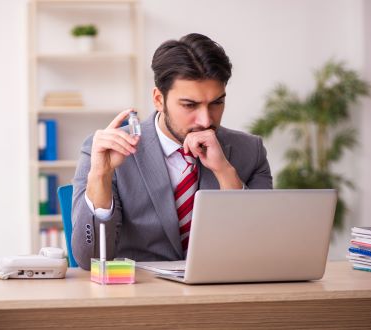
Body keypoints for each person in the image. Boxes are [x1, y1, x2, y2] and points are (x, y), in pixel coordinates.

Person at [71, 33, 272, 270]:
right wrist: (100, 177)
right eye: (190, 105)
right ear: (158, 99)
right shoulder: (105, 151)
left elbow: (262, 248)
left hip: (222, 294)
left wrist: (225, 172)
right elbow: (90, 260)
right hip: (143, 297)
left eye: (217, 103)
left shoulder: (250, 151)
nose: (206, 120)